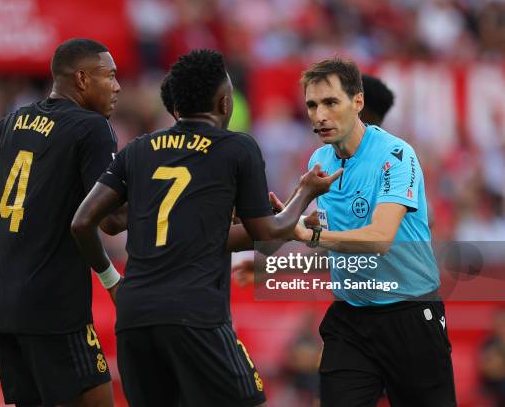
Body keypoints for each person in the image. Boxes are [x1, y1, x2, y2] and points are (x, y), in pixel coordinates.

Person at [71, 49, 342, 407]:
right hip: (195, 315)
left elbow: (92, 221)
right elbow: (266, 232)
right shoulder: (236, 148)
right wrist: (305, 193)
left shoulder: (138, 150)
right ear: (224, 102)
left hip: (135, 317)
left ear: (173, 106)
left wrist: (111, 281)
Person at [0, 38, 122, 407]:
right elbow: (110, 221)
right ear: (83, 79)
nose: (118, 86)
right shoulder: (92, 128)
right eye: (110, 76)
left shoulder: (12, 122)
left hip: (2, 305)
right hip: (54, 307)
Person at [296, 58, 456, 406]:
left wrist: (314, 237)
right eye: (312, 104)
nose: (318, 114)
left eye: (330, 102)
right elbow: (332, 238)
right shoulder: (318, 162)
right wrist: (302, 226)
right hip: (351, 318)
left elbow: (380, 239)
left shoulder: (396, 155)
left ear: (358, 102)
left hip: (410, 316)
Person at [232, 73, 397, 287]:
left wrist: (290, 220)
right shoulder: (334, 165)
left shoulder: (385, 171)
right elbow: (337, 253)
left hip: (392, 307)